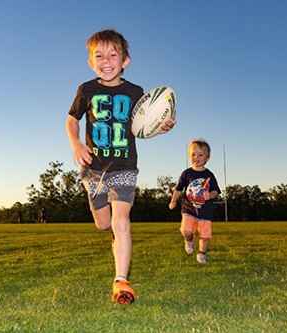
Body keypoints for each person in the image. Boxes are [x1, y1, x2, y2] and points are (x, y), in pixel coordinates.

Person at [66, 29, 175, 304]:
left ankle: (121, 281)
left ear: (125, 60)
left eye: (112, 55)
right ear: (91, 62)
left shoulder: (135, 92)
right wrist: (76, 144)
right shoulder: (86, 90)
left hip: (125, 166)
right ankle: (114, 236)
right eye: (99, 55)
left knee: (121, 219)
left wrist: (158, 128)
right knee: (104, 224)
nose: (106, 60)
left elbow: (141, 126)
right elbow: (71, 120)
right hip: (93, 170)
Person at [169, 139, 221, 263]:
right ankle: (189, 240)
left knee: (204, 235)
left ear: (207, 158)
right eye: (193, 154)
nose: (196, 157)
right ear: (189, 156)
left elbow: (216, 191)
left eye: (200, 155)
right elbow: (179, 189)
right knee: (185, 231)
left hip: (205, 211)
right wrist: (173, 201)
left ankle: (201, 254)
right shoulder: (186, 173)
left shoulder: (209, 175)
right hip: (189, 209)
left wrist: (210, 195)